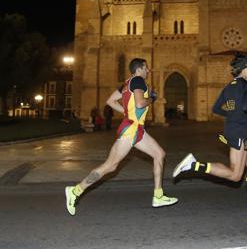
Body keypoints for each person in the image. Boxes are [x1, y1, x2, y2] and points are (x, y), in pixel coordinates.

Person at [173, 53, 247, 221]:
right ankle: (194, 165)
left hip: (232, 129)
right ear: (244, 69)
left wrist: (232, 114)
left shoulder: (229, 86)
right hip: (240, 133)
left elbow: (216, 108)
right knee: (236, 175)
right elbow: (246, 106)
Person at [65, 58, 178, 215]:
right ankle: (75, 191)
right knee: (110, 166)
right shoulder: (138, 80)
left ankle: (158, 196)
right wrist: (152, 97)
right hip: (131, 129)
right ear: (139, 69)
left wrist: (126, 112)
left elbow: (110, 101)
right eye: (146, 68)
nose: (148, 71)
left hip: (137, 129)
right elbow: (139, 104)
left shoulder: (126, 84)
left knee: (159, 154)